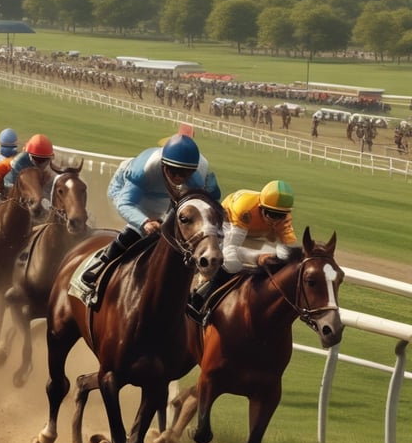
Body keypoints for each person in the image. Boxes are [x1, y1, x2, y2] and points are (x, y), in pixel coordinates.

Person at [79, 134, 220, 306]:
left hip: (166, 197)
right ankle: (96, 268)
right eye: (174, 171)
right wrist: (145, 222)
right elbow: (125, 203)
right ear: (163, 165)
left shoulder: (197, 177)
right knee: (137, 230)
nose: (178, 178)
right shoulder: (145, 168)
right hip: (129, 191)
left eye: (185, 173)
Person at [187, 180, 298, 320]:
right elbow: (232, 249)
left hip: (254, 234)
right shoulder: (246, 208)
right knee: (231, 263)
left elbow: (292, 254)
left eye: (280, 215)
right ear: (261, 207)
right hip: (229, 225)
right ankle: (201, 297)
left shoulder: (284, 220)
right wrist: (257, 258)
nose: (276, 220)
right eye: (271, 214)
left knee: (280, 259)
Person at [0, 133, 55, 201]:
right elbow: (10, 186)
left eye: (44, 160)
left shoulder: (50, 168)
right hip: (2, 180)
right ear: (29, 155)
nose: (40, 163)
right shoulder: (18, 162)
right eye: (37, 159)